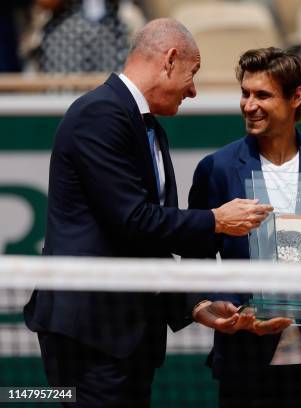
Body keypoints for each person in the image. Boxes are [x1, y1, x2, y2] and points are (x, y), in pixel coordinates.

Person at [23, 19, 272, 407]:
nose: (193, 89)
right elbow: (133, 220)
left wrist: (196, 304)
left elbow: (143, 243)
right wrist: (216, 220)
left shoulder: (148, 126)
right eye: (193, 74)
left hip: (127, 337)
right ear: (170, 60)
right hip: (89, 336)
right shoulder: (100, 114)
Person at [187, 47, 301, 407]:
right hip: (247, 362)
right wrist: (212, 303)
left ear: (296, 97)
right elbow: (197, 256)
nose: (248, 104)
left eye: (262, 95)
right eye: (245, 93)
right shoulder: (217, 168)